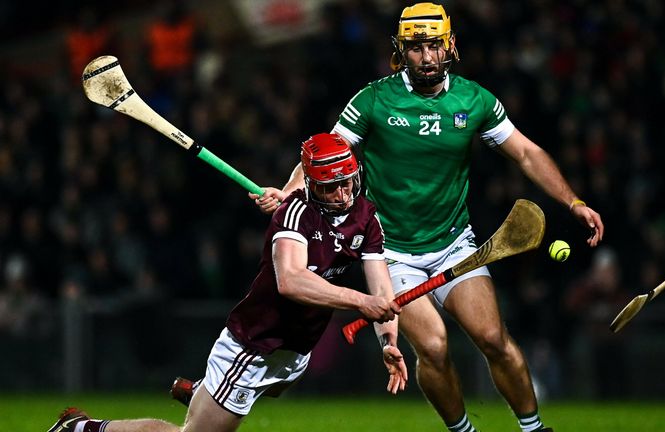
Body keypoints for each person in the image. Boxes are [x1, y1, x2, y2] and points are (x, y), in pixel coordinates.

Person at [256, 4, 604, 431]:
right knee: (435, 347)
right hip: (390, 254)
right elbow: (326, 153)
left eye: (433, 45)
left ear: (450, 45)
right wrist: (288, 192)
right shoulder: (374, 99)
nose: (425, 55)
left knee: (494, 340)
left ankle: (534, 429)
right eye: (415, 47)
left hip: (455, 246)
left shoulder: (473, 100)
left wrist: (573, 202)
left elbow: (528, 154)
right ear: (401, 52)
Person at [47, 133, 408, 432]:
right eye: (331, 188)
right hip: (254, 345)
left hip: (294, 350)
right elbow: (292, 281)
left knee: (275, 388)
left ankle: (205, 391)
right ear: (312, 186)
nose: (343, 195)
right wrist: (358, 302)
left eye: (347, 183)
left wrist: (387, 342)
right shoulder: (294, 214)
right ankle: (82, 428)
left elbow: (381, 290)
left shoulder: (365, 218)